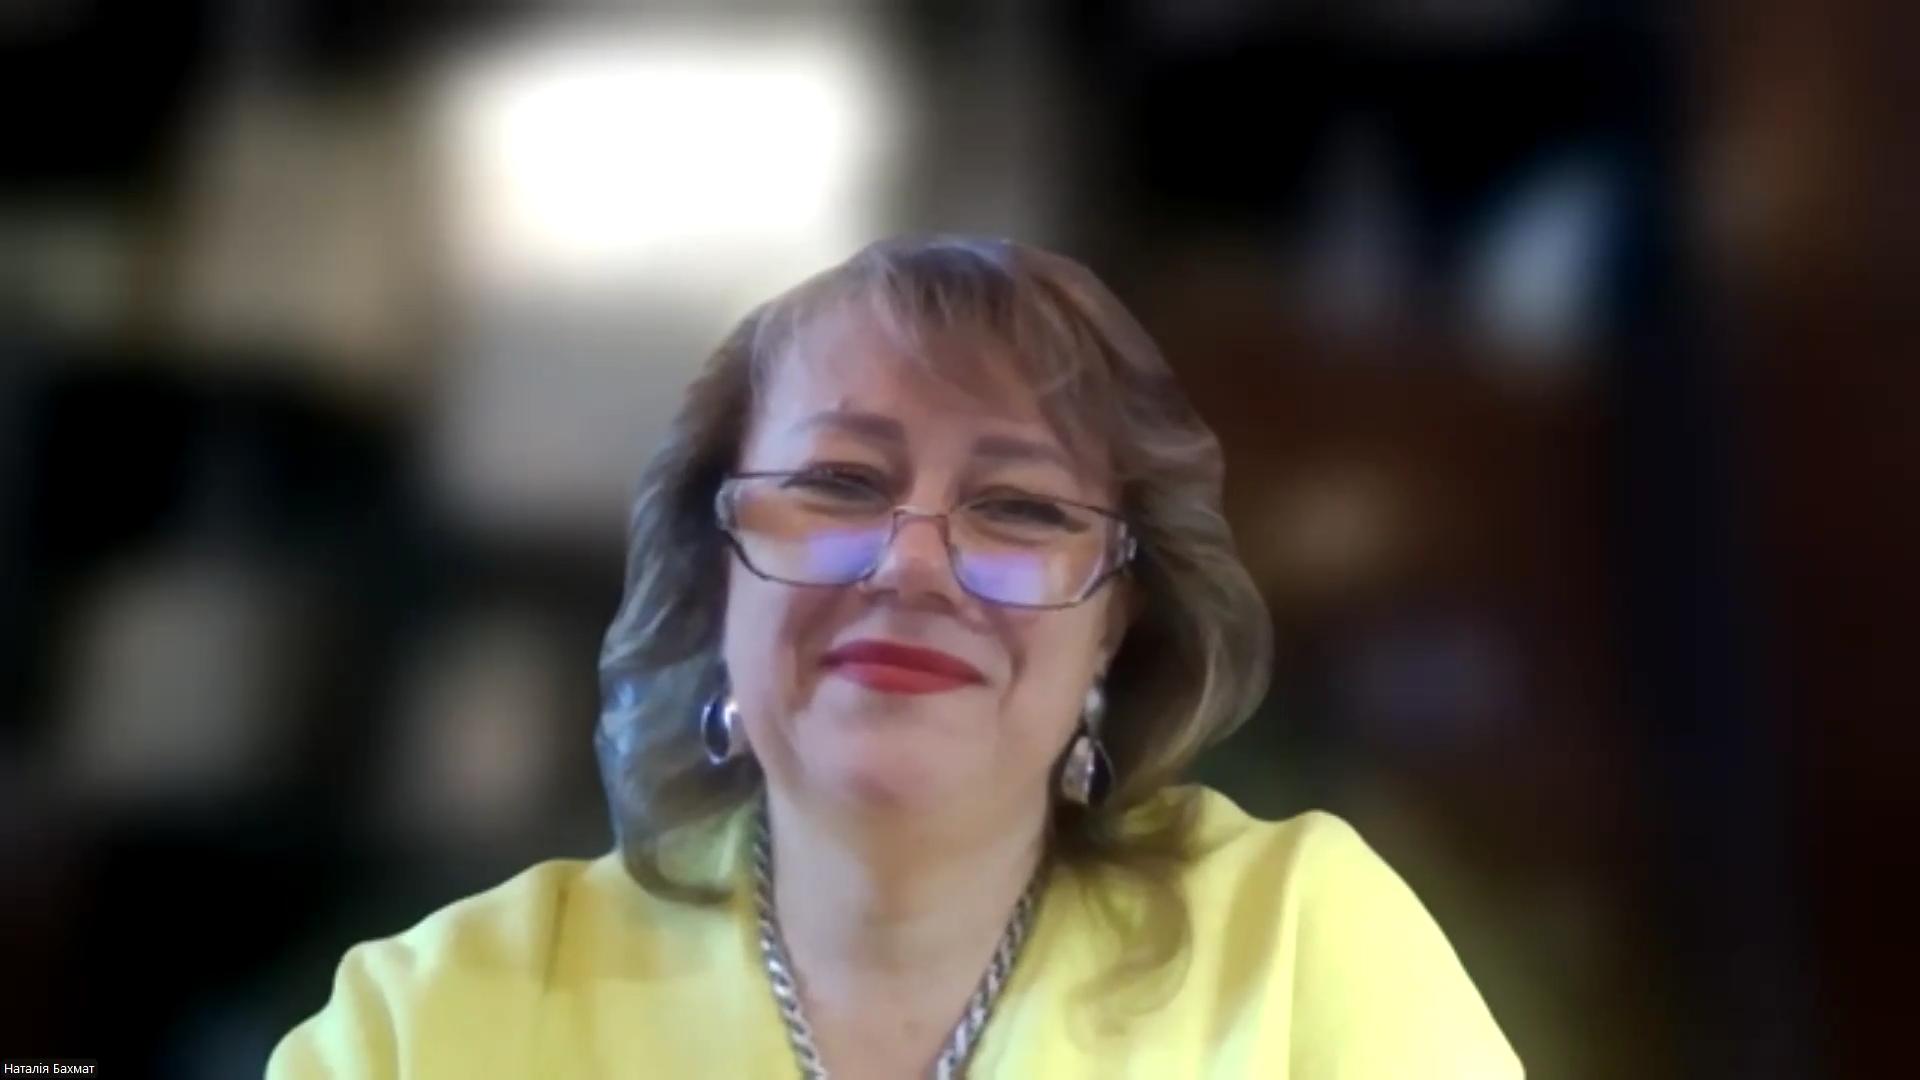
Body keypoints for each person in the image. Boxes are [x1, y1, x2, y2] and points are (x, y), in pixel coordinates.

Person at [267, 235, 1523, 1078]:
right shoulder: (424, 1025)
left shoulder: (1303, 949)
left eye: (1019, 508)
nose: (913, 566)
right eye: (839, 483)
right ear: (717, 573)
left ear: (1115, 620)